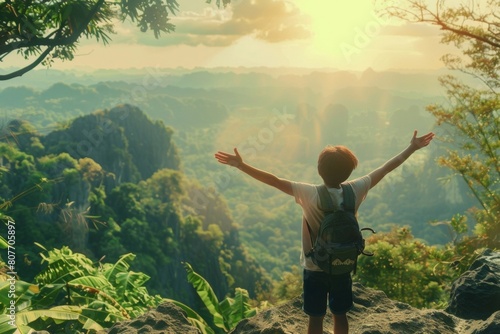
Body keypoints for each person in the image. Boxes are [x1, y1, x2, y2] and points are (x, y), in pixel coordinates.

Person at [214, 130, 434, 334]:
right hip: (342, 264)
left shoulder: (308, 193)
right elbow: (386, 168)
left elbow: (273, 180)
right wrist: (412, 148)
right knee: (340, 314)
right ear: (349, 170)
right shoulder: (356, 189)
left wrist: (241, 165)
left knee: (316, 317)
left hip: (314, 266)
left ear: (319, 169)